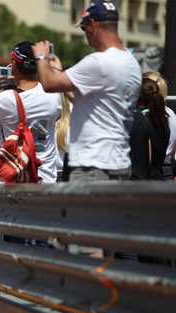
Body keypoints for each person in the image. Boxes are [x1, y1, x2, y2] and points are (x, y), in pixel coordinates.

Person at [32, 0, 141, 181]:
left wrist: (41, 57)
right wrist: (59, 72)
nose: (85, 34)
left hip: (92, 164)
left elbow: (48, 84)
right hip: (119, 162)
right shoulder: (131, 63)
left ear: (92, 25)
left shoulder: (99, 61)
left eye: (83, 28)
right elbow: (91, 103)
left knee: (83, 210)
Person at [0, 41, 62, 184]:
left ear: (14, 65)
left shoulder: (6, 99)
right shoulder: (53, 96)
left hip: (16, 180)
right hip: (46, 181)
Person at [129, 78, 170, 180]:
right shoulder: (162, 120)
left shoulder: (139, 120)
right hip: (159, 180)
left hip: (145, 184)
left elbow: (147, 156)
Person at [142, 72, 176, 181]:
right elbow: (172, 153)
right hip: (167, 170)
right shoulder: (171, 115)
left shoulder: (145, 116)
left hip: (148, 172)